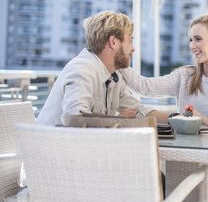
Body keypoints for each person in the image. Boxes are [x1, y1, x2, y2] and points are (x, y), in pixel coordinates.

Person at [118, 14, 208, 198]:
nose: (192, 45)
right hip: (189, 160)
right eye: (190, 39)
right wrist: (120, 57)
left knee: (196, 195)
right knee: (161, 182)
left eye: (198, 39)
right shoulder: (185, 76)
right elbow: (144, 87)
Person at [37, 11, 169, 126]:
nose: (133, 48)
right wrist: (118, 121)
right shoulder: (82, 69)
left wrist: (177, 119)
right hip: (53, 149)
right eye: (130, 40)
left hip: (81, 147)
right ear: (113, 42)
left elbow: (138, 110)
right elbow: (75, 119)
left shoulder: (114, 75)